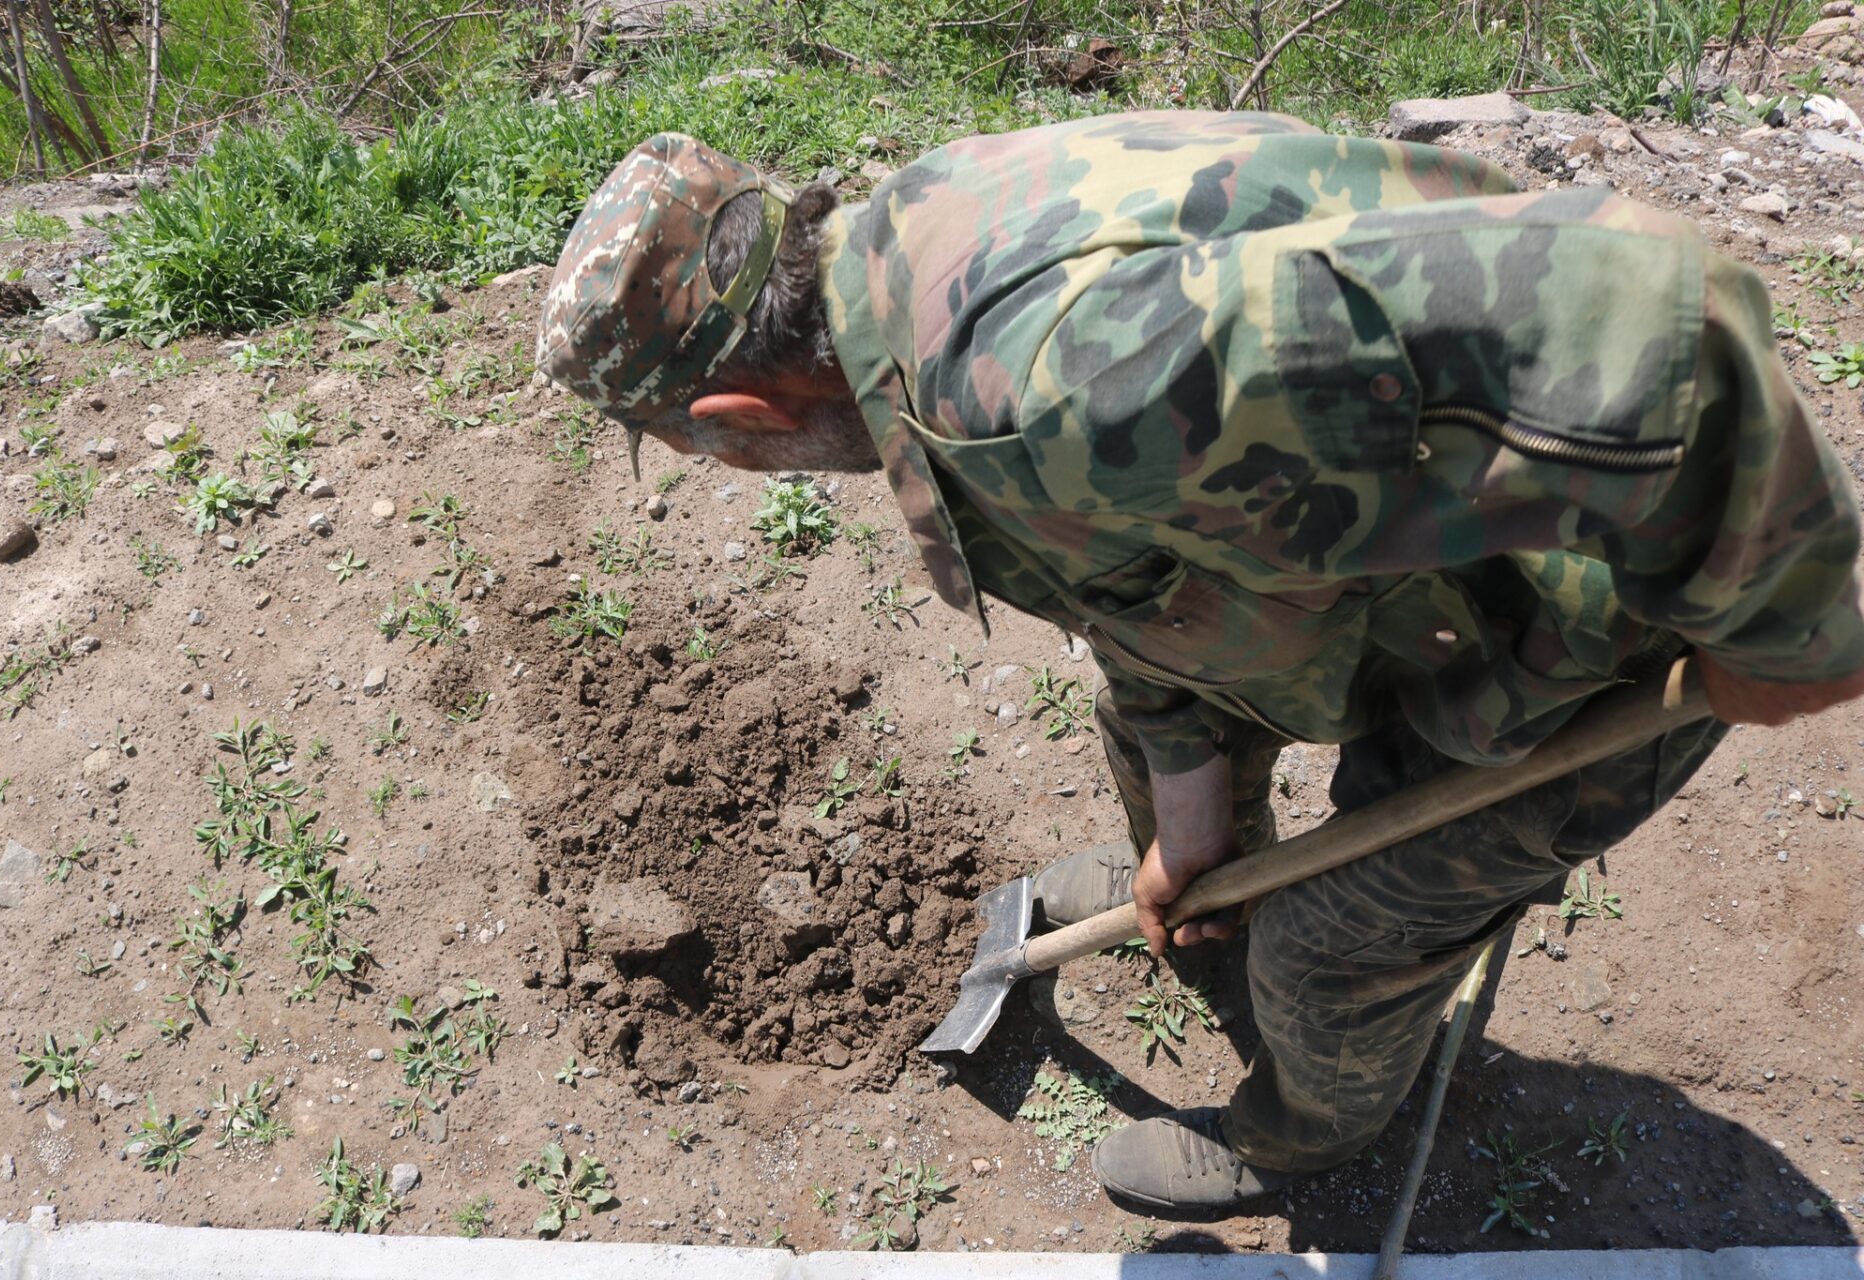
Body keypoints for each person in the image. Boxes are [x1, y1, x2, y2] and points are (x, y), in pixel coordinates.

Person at [536, 112, 1864, 1216]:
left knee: (1331, 950)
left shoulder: (1051, 382)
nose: (728, 466)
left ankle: (1302, 1136)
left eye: (701, 449)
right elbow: (1126, 580)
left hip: (1579, 631)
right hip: (1384, 573)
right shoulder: (904, 248)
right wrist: (1191, 822)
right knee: (1152, 747)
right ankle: (1219, 891)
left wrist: (1797, 623)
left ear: (744, 412)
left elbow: (1638, 309)